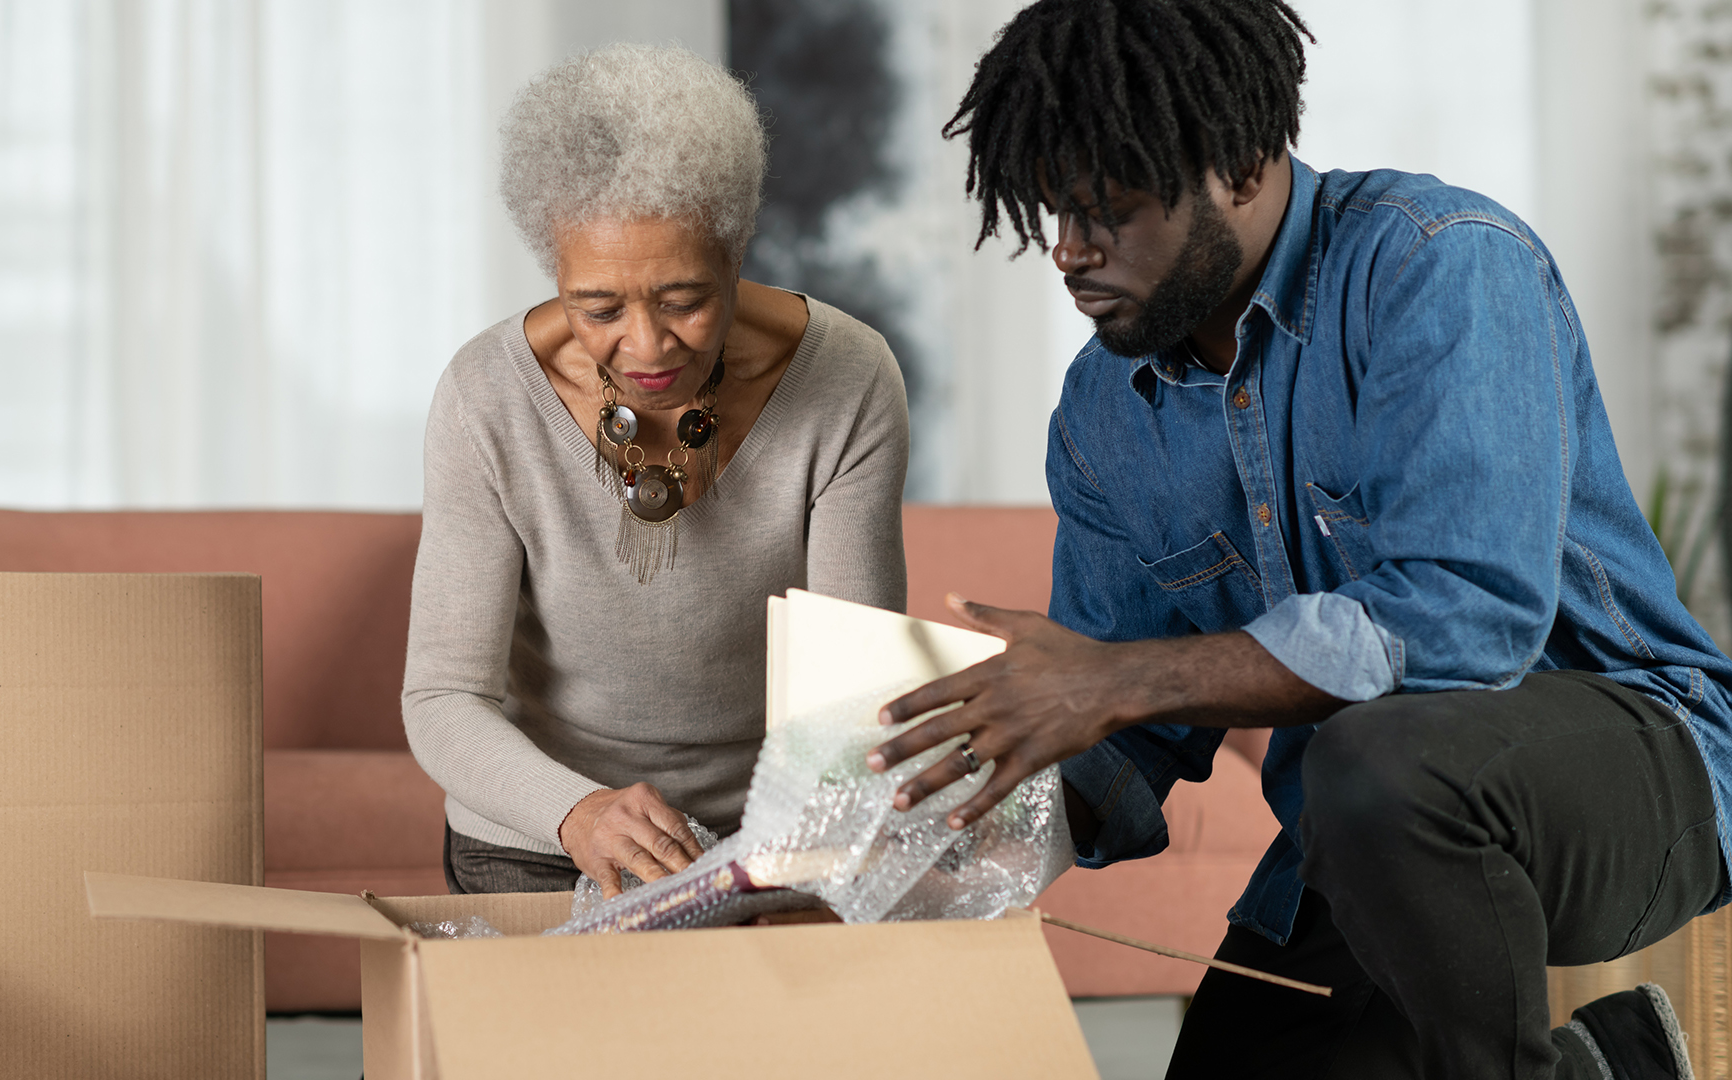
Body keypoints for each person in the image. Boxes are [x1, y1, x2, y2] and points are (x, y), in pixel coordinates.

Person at [865, 2, 1732, 1078]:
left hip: (1638, 770)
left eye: (1109, 211)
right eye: (1053, 212)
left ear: (1238, 163)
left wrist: (1113, 682)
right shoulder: (1102, 413)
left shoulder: (1443, 265)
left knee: (1380, 757)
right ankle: (1615, 1067)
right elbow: (1121, 742)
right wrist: (927, 844)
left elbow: (1463, 620)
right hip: (1365, 838)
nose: (1069, 253)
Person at [403, 44, 909, 900]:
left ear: (736, 248)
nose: (644, 346)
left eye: (683, 300)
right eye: (597, 307)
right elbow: (444, 699)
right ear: (552, 267)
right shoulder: (484, 395)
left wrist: (794, 851)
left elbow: (850, 692)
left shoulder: (849, 379)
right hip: (536, 836)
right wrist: (578, 812)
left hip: (767, 834)